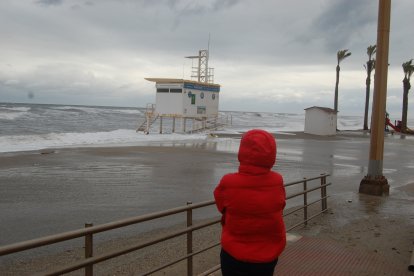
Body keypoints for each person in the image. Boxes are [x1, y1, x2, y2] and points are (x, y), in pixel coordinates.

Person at [214, 129, 286, 276]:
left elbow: (221, 205)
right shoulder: (277, 180)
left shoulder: (228, 181)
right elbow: (281, 204)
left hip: (234, 251)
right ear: (271, 153)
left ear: (242, 151)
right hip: (267, 253)